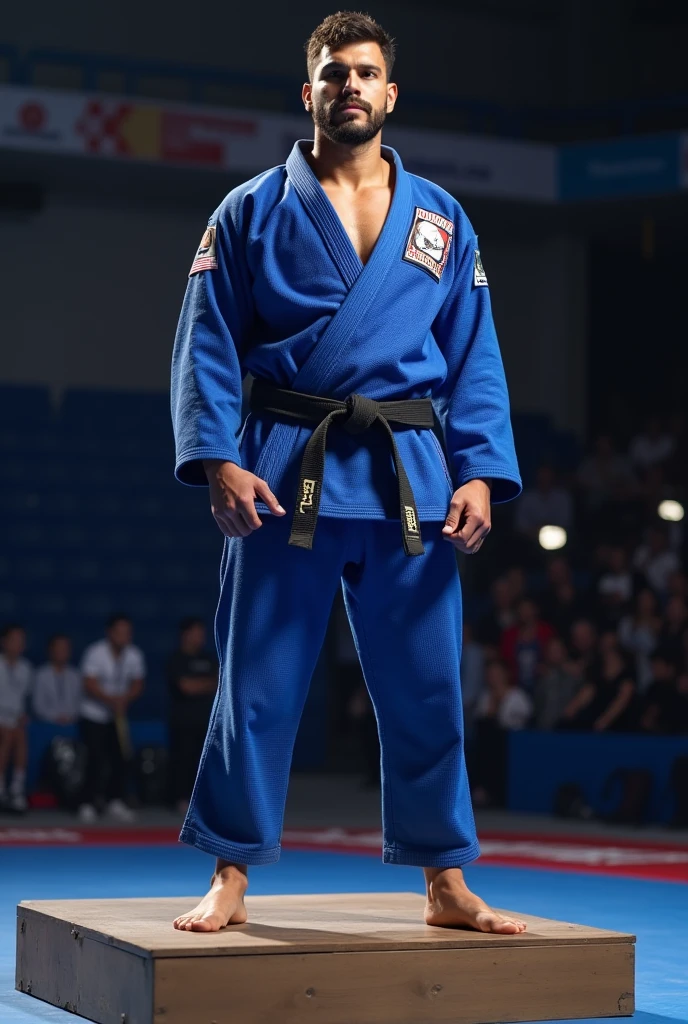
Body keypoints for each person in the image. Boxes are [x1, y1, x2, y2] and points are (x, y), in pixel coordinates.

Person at [170, 12, 525, 935]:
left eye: (366, 73)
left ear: (390, 92)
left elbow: (473, 352)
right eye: (335, 74)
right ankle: (231, 874)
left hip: (410, 472)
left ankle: (445, 880)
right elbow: (207, 342)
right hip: (288, 466)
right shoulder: (249, 209)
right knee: (260, 679)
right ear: (310, 92)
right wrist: (216, 459)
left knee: (427, 684)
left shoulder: (442, 218)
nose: (351, 87)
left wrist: (480, 470)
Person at [77, 614, 145, 823]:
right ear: (110, 633)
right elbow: (89, 683)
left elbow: (138, 683)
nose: (124, 636)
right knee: (95, 759)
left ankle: (115, 800)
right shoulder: (95, 653)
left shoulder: (134, 655)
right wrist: (110, 699)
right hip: (93, 715)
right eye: (120, 632)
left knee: (120, 758)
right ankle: (87, 802)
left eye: (127, 632)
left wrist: (125, 699)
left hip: (118, 717)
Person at [167, 617, 218, 814]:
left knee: (205, 763)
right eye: (196, 633)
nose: (200, 637)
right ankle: (181, 798)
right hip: (183, 721)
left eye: (202, 633)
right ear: (185, 634)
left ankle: (204, 800)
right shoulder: (176, 659)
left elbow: (220, 682)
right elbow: (186, 687)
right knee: (183, 760)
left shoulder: (209, 659)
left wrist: (200, 685)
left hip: (206, 721)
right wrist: (207, 684)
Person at [469, 658, 532, 809]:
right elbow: (483, 721)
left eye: (497, 673)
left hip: (512, 745)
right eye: (490, 674)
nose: (493, 677)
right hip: (488, 746)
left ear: (506, 674)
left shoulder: (517, 696)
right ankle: (482, 789)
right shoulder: (485, 696)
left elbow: (520, 722)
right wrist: (494, 703)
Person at [0, 624, 32, 812]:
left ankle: (17, 790)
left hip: (15, 719)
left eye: (21, 641)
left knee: (19, 735)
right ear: (4, 642)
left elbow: (25, 699)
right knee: (7, 735)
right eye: (14, 640)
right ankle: (1, 788)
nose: (18, 644)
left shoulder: (26, 668)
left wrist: (22, 716)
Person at [498, 598, 554, 694]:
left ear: (535, 610)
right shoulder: (509, 634)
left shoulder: (546, 631)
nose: (525, 613)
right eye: (522, 609)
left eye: (528, 609)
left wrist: (546, 667)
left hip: (543, 683)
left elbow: (556, 654)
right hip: (516, 685)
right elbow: (504, 660)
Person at [532, 635, 582, 730]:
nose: (555, 654)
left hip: (568, 729)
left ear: (565, 651)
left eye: (557, 650)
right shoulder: (541, 674)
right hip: (543, 728)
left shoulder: (575, 673)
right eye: (552, 651)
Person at [32, 634, 82, 725]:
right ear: (51, 650)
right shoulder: (40, 674)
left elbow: (80, 702)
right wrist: (55, 718)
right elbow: (38, 705)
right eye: (59, 648)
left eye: (65, 648)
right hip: (47, 723)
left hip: (72, 723)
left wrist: (69, 717)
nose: (62, 651)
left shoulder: (76, 675)